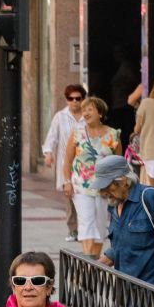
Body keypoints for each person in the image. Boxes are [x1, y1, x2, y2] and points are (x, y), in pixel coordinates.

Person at [62, 95, 122, 259]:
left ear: (100, 113)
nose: (85, 113)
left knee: (101, 226)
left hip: (104, 187)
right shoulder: (77, 133)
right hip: (81, 185)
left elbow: (118, 163)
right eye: (84, 110)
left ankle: (92, 264)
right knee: (86, 221)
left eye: (90, 109)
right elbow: (67, 159)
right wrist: (66, 182)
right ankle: (88, 264)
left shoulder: (112, 134)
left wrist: (114, 186)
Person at [95, 153, 154, 285]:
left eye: (108, 187)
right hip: (125, 294)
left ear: (123, 181)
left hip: (152, 293)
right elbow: (119, 248)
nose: (104, 193)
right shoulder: (114, 205)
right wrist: (92, 268)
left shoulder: (148, 197)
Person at [43, 84, 87, 241]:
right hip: (66, 163)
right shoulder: (60, 117)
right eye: (71, 99)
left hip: (85, 166)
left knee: (84, 196)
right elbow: (52, 136)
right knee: (69, 196)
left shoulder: (87, 117)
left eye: (78, 98)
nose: (74, 102)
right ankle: (72, 229)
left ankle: (84, 229)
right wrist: (48, 153)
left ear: (83, 99)